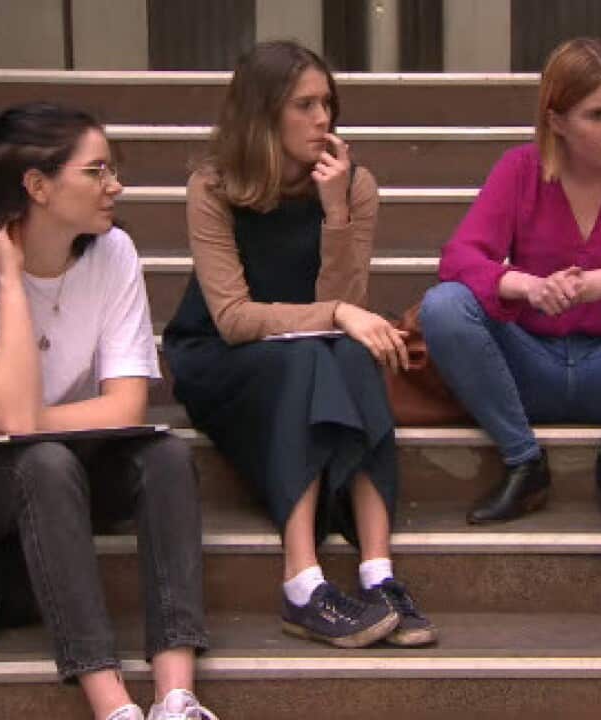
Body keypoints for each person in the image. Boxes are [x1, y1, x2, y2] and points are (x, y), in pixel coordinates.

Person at [0, 103, 217, 720]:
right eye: (96, 172)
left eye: (111, 170)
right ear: (37, 187)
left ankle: (177, 696)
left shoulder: (113, 251)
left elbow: (126, 403)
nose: (115, 186)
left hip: (38, 447)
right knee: (41, 462)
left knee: (167, 455)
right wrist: (10, 276)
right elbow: (17, 417)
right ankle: (111, 703)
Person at [162, 41, 436, 650]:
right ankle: (302, 582)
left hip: (314, 351)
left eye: (328, 104)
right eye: (305, 105)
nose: (323, 120)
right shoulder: (213, 187)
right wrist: (337, 313)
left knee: (348, 353)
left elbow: (348, 300)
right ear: (263, 114)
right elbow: (233, 318)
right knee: (313, 353)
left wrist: (334, 211)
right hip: (220, 358)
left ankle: (378, 571)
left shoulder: (353, 185)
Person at [418, 37, 601, 528]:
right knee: (443, 306)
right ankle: (524, 462)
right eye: (597, 114)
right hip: (528, 367)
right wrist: (526, 286)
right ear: (556, 121)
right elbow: (458, 258)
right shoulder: (519, 170)